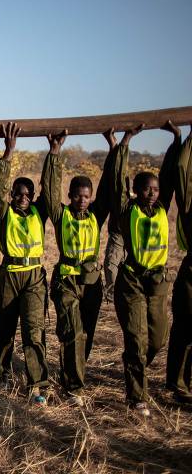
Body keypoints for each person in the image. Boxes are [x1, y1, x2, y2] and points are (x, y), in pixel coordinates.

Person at [110, 124, 180, 416]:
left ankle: (134, 362)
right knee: (136, 339)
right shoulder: (128, 211)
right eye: (145, 189)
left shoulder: (163, 207)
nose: (151, 193)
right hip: (132, 282)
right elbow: (116, 182)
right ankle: (136, 396)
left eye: (154, 189)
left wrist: (177, 140)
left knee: (159, 337)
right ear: (135, 191)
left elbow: (169, 173)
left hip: (158, 282)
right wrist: (123, 143)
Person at [42, 129, 116, 405]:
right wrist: (54, 154)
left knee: (86, 334)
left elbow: (110, 186)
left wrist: (114, 150)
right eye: (77, 196)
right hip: (66, 281)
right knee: (72, 331)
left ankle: (73, 372)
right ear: (70, 195)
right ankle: (74, 388)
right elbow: (49, 190)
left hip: (92, 283)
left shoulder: (97, 214)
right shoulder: (61, 216)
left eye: (86, 197)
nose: (82, 200)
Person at [0, 123, 51, 405]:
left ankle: (36, 384)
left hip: (34, 276)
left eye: (28, 195)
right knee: (4, 326)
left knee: (34, 329)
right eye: (18, 194)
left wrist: (54, 152)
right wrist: (8, 154)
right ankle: (1, 372)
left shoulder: (40, 212)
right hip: (9, 275)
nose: (23, 198)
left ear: (33, 197)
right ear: (12, 195)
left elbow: (52, 188)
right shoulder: (3, 214)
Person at [166, 120, 192, 404]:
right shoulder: (188, 207)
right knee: (185, 329)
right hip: (191, 273)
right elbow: (183, 170)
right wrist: (184, 140)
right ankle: (179, 384)